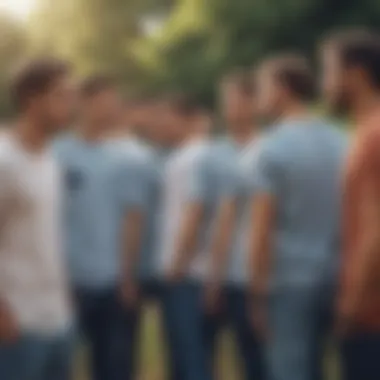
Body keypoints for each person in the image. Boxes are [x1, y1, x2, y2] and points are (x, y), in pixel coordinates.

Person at [250, 55, 347, 380]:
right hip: (335, 275)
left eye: (262, 87)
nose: (258, 96)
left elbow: (262, 227)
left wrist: (257, 294)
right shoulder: (341, 140)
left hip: (288, 280)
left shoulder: (272, 147)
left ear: (282, 89)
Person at [54, 75, 149, 380]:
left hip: (111, 282)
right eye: (104, 103)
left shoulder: (128, 158)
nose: (111, 110)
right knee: (58, 364)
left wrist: (127, 276)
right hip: (64, 280)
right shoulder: (57, 154)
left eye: (114, 103)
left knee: (113, 366)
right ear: (83, 104)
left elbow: (133, 220)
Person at [0, 58, 75, 380]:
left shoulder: (51, 157)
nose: (70, 104)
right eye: (61, 96)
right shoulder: (5, 161)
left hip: (58, 319)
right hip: (19, 324)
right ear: (32, 99)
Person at [320, 30, 380, 380]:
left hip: (370, 317)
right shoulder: (359, 133)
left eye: (328, 71)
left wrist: (351, 304)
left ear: (355, 74)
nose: (324, 84)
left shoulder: (373, 137)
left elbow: (376, 230)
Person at [202, 70, 264, 380]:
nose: (228, 108)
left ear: (254, 103)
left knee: (256, 361)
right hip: (220, 272)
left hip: (250, 275)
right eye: (224, 101)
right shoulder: (213, 152)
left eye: (235, 101)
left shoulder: (267, 151)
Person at [156, 94, 212, 380]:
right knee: (189, 355)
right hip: (191, 271)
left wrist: (177, 264)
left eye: (167, 118)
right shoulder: (189, 156)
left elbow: (195, 211)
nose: (161, 125)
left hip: (187, 273)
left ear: (187, 120)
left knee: (190, 357)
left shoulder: (192, 158)